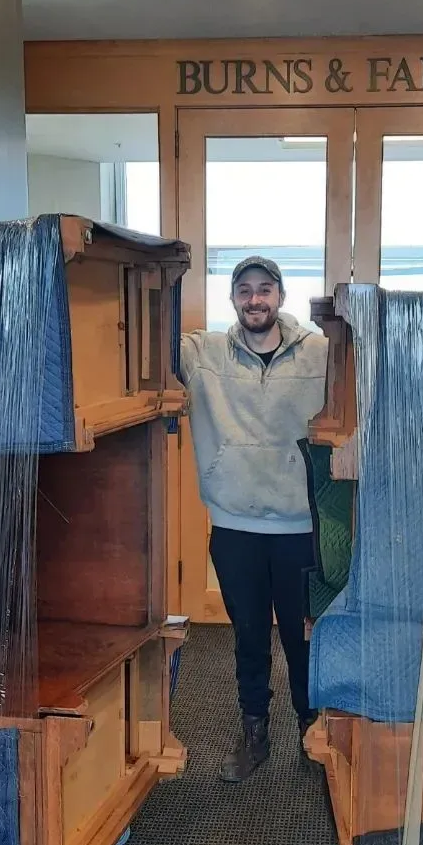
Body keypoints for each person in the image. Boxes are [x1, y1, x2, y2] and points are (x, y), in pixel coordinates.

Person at [179, 257, 328, 782]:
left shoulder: (321, 352)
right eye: (245, 291)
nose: (255, 300)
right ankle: (254, 731)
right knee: (247, 635)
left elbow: (362, 386)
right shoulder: (203, 354)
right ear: (233, 299)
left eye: (265, 290)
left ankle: (314, 733)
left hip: (300, 527)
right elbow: (145, 335)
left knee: (303, 636)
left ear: (281, 296)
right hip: (235, 524)